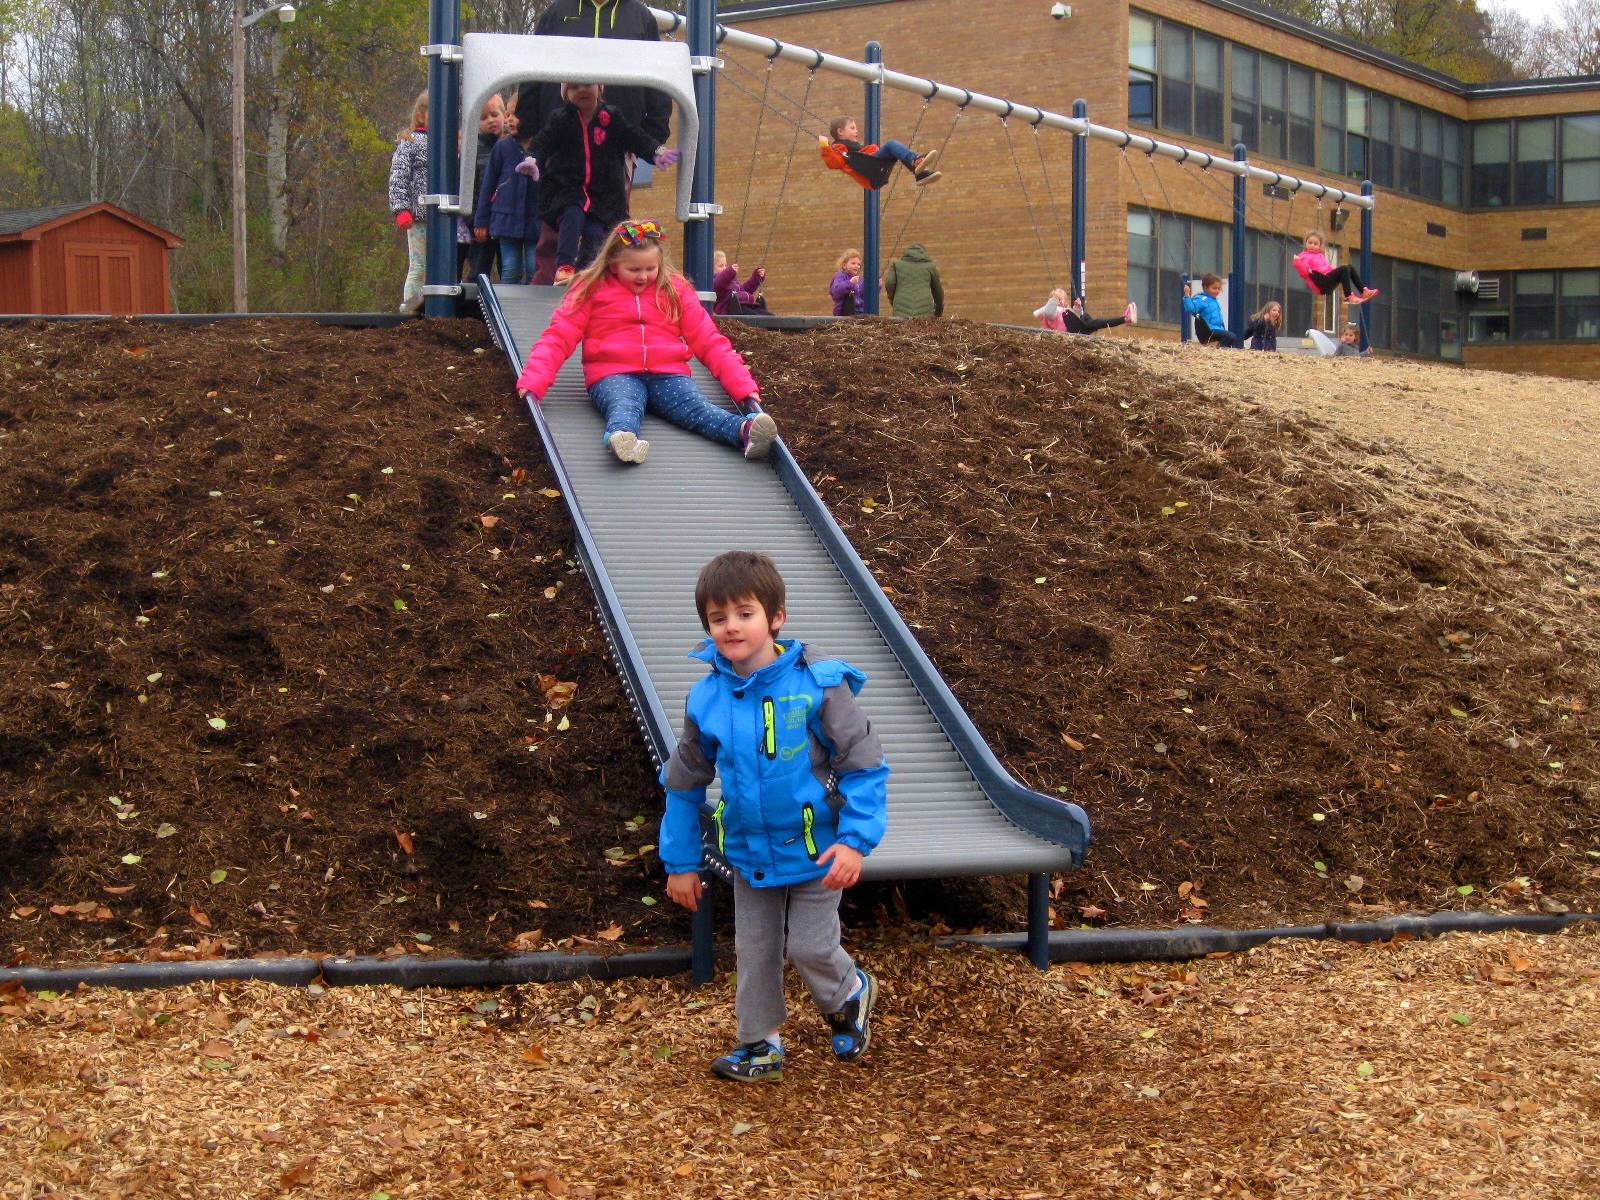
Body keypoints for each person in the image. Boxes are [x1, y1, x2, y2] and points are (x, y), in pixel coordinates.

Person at [659, 550, 889, 1083]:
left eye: (745, 613)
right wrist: (680, 861)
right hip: (750, 849)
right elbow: (683, 782)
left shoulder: (818, 684)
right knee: (755, 950)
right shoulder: (708, 697)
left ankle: (848, 992)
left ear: (775, 618)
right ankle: (759, 1043)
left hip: (818, 848)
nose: (731, 626)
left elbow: (864, 764)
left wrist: (856, 841)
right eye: (718, 618)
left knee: (809, 944)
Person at [515, 219, 777, 465]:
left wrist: (742, 386)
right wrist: (534, 381)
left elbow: (709, 340)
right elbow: (559, 336)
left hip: (668, 374)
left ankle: (745, 431)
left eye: (650, 269)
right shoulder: (592, 289)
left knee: (696, 409)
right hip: (613, 372)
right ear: (613, 264)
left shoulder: (674, 289)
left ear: (660, 264)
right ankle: (622, 438)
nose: (643, 276)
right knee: (623, 403)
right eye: (634, 270)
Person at [515, 0, 672, 285]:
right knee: (560, 213)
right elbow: (532, 67)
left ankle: (601, 283)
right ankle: (551, 281)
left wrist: (654, 131)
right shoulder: (557, 13)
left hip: (618, 138)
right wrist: (528, 127)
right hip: (563, 135)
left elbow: (659, 75)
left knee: (609, 216)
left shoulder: (639, 17)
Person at [521, 82, 681, 283]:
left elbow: (635, 137)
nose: (582, 90)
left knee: (598, 231)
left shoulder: (612, 117)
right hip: (569, 184)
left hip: (604, 186)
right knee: (570, 217)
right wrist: (532, 157)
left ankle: (590, 273)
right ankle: (564, 267)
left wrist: (655, 151)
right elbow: (542, 141)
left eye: (588, 85)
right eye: (574, 87)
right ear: (566, 94)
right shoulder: (560, 119)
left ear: (600, 88)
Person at [473, 110, 541, 285]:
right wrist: (481, 220)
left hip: (537, 221)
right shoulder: (502, 147)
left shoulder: (542, 146)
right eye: (508, 114)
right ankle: (507, 310)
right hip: (506, 220)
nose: (510, 119)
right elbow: (488, 185)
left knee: (535, 268)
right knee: (510, 269)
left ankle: (532, 309)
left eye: (516, 115)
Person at [386, 89, 429, 314]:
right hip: (419, 217)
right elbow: (398, 176)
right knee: (419, 265)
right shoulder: (410, 142)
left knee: (438, 267)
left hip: (442, 216)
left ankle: (430, 306)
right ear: (421, 115)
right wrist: (401, 209)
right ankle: (410, 307)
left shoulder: (448, 144)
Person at [819, 116, 941, 189]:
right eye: (852, 128)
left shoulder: (851, 147)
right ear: (840, 131)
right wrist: (825, 147)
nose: (856, 131)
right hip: (870, 169)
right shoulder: (838, 148)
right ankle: (915, 160)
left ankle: (919, 174)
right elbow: (835, 163)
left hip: (873, 167)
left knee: (894, 150)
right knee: (891, 145)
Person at [460, 93, 506, 286]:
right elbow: (469, 188)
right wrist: (474, 220)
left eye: (494, 115)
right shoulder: (473, 149)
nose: (490, 121)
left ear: (505, 115)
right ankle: (474, 307)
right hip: (482, 224)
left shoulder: (512, 147)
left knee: (509, 267)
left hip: (506, 222)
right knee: (479, 268)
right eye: (483, 118)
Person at [1293, 232, 1379, 306]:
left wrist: (1336, 272)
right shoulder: (1303, 256)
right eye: (1310, 242)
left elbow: (1328, 267)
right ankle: (1348, 296)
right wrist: (1297, 262)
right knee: (1344, 268)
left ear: (1319, 246)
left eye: (1315, 244)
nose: (1312, 245)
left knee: (1349, 268)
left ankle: (1363, 291)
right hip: (1319, 282)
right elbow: (1304, 273)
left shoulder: (1320, 255)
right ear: (1306, 243)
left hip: (1327, 280)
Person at [1034, 287, 1138, 334]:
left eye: (1062, 297)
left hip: (1076, 326)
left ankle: (1125, 319)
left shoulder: (1066, 310)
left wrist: (1077, 307)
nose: (1060, 300)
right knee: (1095, 323)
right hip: (1072, 330)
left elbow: (1076, 317)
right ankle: (1126, 318)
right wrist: (1054, 300)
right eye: (1057, 297)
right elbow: (1048, 312)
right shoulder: (1054, 312)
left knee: (1095, 321)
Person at [883, 243, 944, 318]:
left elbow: (889, 284)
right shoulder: (930, 266)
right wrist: (938, 312)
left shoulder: (897, 265)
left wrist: (895, 302)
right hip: (925, 312)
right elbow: (938, 292)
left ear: (906, 253)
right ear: (924, 253)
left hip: (901, 312)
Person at [1182, 274, 1242, 348]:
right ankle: (1221, 350)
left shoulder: (1214, 301)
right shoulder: (1201, 299)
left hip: (1216, 329)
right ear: (1205, 288)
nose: (1217, 291)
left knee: (1232, 338)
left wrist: (1222, 329)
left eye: (1218, 288)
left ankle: (1222, 349)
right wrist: (1187, 295)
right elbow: (1191, 309)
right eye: (1214, 288)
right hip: (1208, 330)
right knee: (1230, 336)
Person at [830, 249, 867, 316]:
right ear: (844, 265)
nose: (856, 266)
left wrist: (876, 287)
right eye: (853, 263)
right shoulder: (840, 276)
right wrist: (850, 283)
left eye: (858, 264)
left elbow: (864, 295)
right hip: (844, 312)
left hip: (860, 312)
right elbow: (836, 291)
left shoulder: (860, 279)